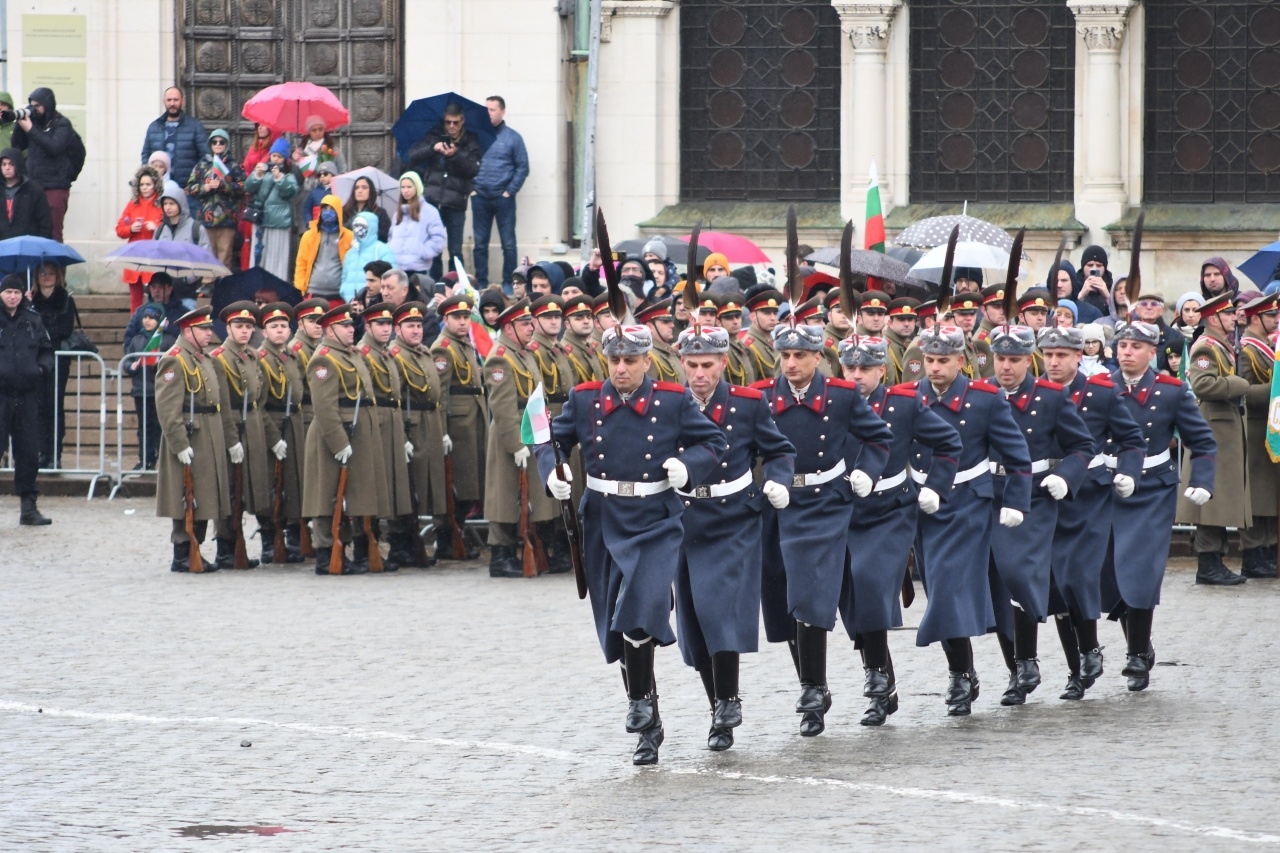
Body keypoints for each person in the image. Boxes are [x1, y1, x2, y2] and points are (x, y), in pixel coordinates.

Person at [535, 322, 726, 765]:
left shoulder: (673, 400)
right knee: (615, 623)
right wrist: (552, 471)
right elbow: (551, 441)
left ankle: (638, 701)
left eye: (630, 360)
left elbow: (713, 441)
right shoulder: (585, 399)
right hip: (603, 519)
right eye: (614, 360)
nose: (621, 368)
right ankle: (649, 723)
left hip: (655, 519)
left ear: (647, 361)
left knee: (638, 606)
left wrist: (688, 465)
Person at [753, 322, 891, 738]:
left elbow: (878, 438)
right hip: (778, 502)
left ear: (818, 357)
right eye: (785, 356)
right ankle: (814, 685)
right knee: (784, 595)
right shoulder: (761, 395)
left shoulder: (842, 395)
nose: (791, 364)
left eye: (800, 356)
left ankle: (837, 682)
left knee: (819, 589)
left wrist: (866, 471)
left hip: (827, 501)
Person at [672, 322, 794, 751]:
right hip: (686, 518)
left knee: (719, 606)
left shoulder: (747, 403)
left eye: (708, 365)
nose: (699, 374)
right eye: (692, 365)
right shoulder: (670, 404)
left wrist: (777, 479)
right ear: (681, 362)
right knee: (694, 622)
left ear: (724, 362)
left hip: (733, 518)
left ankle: (727, 698)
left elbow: (779, 450)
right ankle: (719, 707)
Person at [836, 335, 961, 725]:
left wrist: (936, 487)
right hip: (839, 511)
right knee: (850, 600)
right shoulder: (832, 403)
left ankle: (876, 680)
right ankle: (882, 678)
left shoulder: (903, 404)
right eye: (849, 368)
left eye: (865, 368)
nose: (856, 376)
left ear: (882, 369)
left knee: (869, 580)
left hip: (889, 511)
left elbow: (948, 442)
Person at [907, 325, 1031, 716]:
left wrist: (1017, 500)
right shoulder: (908, 397)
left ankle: (964, 674)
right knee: (941, 588)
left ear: (960, 361)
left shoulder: (985, 399)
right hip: (923, 506)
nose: (935, 368)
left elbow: (1017, 453)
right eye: (929, 360)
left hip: (969, 503)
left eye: (943, 360)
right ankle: (974, 669)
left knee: (948, 586)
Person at [985, 325, 1094, 707]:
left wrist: (1066, 476)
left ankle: (1069, 663)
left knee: (1025, 576)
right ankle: (1018, 670)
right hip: (991, 496)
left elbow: (1082, 446)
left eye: (1014, 359)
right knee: (1000, 585)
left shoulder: (1050, 396)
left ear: (1028, 360)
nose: (1006, 367)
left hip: (1037, 496)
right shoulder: (982, 393)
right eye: (1000, 359)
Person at [1037, 325, 1146, 700]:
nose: (1054, 362)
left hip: (1090, 496)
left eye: (1061, 355)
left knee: (1081, 575)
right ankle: (1079, 666)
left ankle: (1131, 648)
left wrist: (1129, 472)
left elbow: (1131, 440)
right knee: (1057, 585)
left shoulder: (1100, 393)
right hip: (1045, 496)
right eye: (1048, 354)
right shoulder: (1033, 394)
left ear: (1078, 355)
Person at [1106, 320, 1216, 690]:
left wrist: (1202, 481)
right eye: (1123, 346)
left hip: (1152, 488)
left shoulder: (1171, 390)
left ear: (1152, 352)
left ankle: (1136, 654)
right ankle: (1139, 641)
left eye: (1136, 347)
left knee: (1139, 569)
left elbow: (1202, 441)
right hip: (1108, 487)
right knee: (1111, 572)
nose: (1127, 352)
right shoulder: (1101, 387)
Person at [1175, 292, 1251, 585]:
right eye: (1228, 313)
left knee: (1218, 498)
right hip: (1213, 427)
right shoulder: (1206, 347)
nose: (1234, 317)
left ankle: (1215, 560)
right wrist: (1237, 384)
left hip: (1222, 428)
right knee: (1209, 498)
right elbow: (1203, 384)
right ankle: (1208, 564)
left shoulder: (1222, 345)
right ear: (1214, 318)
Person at [299, 304, 378, 575]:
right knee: (327, 496)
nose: (350, 329)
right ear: (330, 331)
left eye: (350, 325)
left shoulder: (351, 354)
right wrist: (339, 442)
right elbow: (324, 407)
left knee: (348, 494)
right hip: (332, 435)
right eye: (344, 326)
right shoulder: (323, 360)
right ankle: (326, 555)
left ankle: (343, 551)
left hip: (355, 432)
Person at [154, 305, 234, 570]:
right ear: (188, 332)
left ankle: (195, 549)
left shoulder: (204, 358)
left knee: (204, 494)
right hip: (190, 434)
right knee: (185, 494)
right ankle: (182, 553)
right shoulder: (175, 360)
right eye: (204, 329)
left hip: (209, 432)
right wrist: (179, 444)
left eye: (209, 328)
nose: (210, 333)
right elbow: (167, 408)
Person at [480, 300, 553, 577]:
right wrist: (516, 444)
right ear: (509, 328)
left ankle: (518, 550)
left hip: (531, 428)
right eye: (524, 324)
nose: (530, 327)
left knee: (525, 495)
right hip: (510, 433)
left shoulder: (523, 353)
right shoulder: (500, 358)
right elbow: (502, 407)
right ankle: (501, 555)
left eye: (530, 323)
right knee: (505, 494)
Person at [388, 301, 449, 567]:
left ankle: (413, 544)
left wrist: (442, 431)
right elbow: (395, 399)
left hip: (430, 423)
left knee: (424, 487)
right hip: (410, 424)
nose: (416, 330)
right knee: (406, 488)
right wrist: (402, 438)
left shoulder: (424, 352)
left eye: (418, 325)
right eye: (410, 326)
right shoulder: (395, 355)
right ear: (397, 329)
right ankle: (399, 545)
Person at [209, 302, 268, 570]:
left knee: (247, 487)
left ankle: (238, 545)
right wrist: (232, 440)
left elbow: (260, 394)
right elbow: (221, 402)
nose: (244, 331)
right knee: (230, 490)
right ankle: (226, 546)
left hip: (252, 424)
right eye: (239, 326)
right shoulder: (219, 358)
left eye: (248, 327)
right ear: (228, 328)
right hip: (232, 424)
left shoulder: (253, 355)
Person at [356, 302, 413, 572]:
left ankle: (394, 547)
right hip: (374, 424)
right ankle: (365, 550)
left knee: (391, 486)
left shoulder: (385, 353)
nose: (385, 328)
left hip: (391, 423)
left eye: (389, 324)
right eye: (380, 324)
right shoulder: (364, 353)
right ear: (368, 326)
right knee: (371, 488)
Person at [430, 293, 488, 559]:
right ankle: (446, 538)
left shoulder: (463, 343)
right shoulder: (443, 348)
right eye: (457, 317)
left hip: (471, 422)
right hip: (457, 426)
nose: (463, 322)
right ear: (445, 319)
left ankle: (457, 534)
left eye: (466, 317)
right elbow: (440, 395)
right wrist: (442, 431)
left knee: (469, 485)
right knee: (455, 486)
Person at [256, 302, 307, 563]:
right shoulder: (259, 359)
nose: (279, 330)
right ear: (264, 332)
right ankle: (269, 539)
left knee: (294, 482)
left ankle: (294, 539)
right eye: (273, 326)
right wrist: (273, 438)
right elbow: (258, 404)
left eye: (283, 326)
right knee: (271, 484)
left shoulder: (293, 357)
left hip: (295, 422)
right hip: (272, 423)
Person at [0, 274, 54, 524]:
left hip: (27, 395)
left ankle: (28, 507)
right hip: (1, 395)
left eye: (17, 292)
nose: (12, 297)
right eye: (8, 292)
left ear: (23, 295)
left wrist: (41, 369)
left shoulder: (33, 319)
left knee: (29, 452)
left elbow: (46, 351)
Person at [407, 103, 482, 280]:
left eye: (455, 122)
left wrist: (454, 155)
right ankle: (434, 285)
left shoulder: (470, 140)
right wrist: (433, 148)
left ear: (462, 121)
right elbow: (413, 156)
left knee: (455, 250)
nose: (451, 126)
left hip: (456, 201)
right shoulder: (434, 135)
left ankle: (456, 284)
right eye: (448, 122)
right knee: (434, 248)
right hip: (433, 199)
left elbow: (473, 169)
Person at [1238, 293, 1280, 578]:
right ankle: (1253, 553)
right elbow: (1244, 391)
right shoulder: (1247, 351)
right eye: (1270, 316)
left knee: (1270, 494)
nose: (1276, 320)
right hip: (1254, 429)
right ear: (1256, 318)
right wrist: (1275, 390)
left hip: (1270, 426)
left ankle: (1268, 549)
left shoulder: (1269, 347)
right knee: (1256, 496)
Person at [472, 96, 528, 289]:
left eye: (492, 109)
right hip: (480, 197)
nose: (487, 113)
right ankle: (481, 283)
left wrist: (509, 191)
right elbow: (466, 162)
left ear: (502, 112)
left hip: (503, 199)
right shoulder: (476, 137)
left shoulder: (513, 138)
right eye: (485, 109)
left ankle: (509, 283)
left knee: (508, 244)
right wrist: (472, 189)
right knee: (480, 244)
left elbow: (523, 167)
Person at [10, 88, 77, 241]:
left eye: (38, 106)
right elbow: (17, 146)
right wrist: (19, 123)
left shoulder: (62, 124)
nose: (35, 110)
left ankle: (54, 259)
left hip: (55, 187)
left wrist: (31, 129)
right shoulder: (34, 124)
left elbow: (54, 147)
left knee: (53, 232)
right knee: (32, 231)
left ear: (48, 105)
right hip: (33, 185)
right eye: (32, 106)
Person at [29, 262, 77, 469]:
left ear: (57, 276)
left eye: (50, 273)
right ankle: (43, 451)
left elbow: (65, 328)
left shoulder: (65, 299)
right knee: (40, 406)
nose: (46, 277)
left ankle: (55, 452)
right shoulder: (31, 301)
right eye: (42, 273)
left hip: (58, 358)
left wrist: (44, 334)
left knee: (55, 405)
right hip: (37, 359)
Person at [185, 128, 246, 271]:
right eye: (214, 142)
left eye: (221, 142)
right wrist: (204, 187)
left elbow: (243, 187)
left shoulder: (234, 165)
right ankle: (207, 281)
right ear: (210, 144)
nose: (218, 144)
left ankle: (223, 282)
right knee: (206, 255)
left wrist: (223, 186)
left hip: (227, 219)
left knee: (225, 256)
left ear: (227, 144)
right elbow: (189, 188)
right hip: (206, 219)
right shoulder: (202, 165)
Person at [123, 303, 174, 470]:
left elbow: (173, 366)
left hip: (161, 392)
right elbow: (128, 360)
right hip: (141, 391)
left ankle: (163, 460)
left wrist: (159, 365)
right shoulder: (137, 339)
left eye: (151, 318)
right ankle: (145, 459)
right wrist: (131, 366)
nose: (147, 320)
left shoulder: (168, 340)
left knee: (161, 428)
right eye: (145, 317)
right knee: (144, 428)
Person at [244, 138, 299, 282]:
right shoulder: (262, 171)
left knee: (277, 257)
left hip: (279, 222)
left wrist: (280, 178)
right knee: (260, 255)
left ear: (285, 159)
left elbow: (291, 192)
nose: (276, 159)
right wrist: (256, 175)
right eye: (274, 155)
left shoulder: (289, 176)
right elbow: (248, 188)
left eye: (280, 157)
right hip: (261, 219)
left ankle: (276, 283)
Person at [152, 184, 212, 309]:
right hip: (164, 292)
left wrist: (189, 278)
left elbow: (205, 257)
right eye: (165, 204)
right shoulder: (160, 229)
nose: (167, 207)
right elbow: (154, 255)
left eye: (172, 203)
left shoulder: (196, 228)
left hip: (187, 291)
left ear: (181, 204)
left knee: (186, 320)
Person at [115, 164, 164, 311]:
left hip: (153, 256)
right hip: (135, 256)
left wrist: (156, 228)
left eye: (148, 184)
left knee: (156, 297)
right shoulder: (132, 204)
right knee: (135, 299)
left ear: (155, 185)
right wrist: (130, 229)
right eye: (142, 184)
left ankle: (156, 322)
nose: (144, 188)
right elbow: (119, 230)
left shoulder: (161, 204)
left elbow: (168, 229)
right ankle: (135, 324)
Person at [140, 87, 207, 186]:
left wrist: (196, 181)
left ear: (182, 101)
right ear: (164, 101)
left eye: (176, 100)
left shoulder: (195, 126)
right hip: (159, 187)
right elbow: (146, 155)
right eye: (169, 100)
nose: (172, 103)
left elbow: (205, 156)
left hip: (187, 187)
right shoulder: (154, 127)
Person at [387, 172, 446, 278]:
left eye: (409, 187)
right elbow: (391, 237)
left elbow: (439, 239)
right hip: (397, 268)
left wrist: (423, 252)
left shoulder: (430, 211)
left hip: (417, 268)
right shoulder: (397, 213)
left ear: (417, 187)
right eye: (402, 187)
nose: (405, 190)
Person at [295, 195, 353, 302]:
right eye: (325, 208)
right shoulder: (309, 236)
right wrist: (300, 288)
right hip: (313, 292)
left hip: (338, 294)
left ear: (339, 212)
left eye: (332, 209)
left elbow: (352, 266)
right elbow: (301, 263)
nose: (328, 212)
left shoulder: (349, 236)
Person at [340, 212, 395, 302]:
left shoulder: (382, 249)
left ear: (371, 227)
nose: (358, 229)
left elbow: (391, 277)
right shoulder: (350, 253)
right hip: (350, 303)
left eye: (362, 225)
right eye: (356, 225)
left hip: (374, 303)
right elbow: (344, 277)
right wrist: (345, 292)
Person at [0, 147, 52, 242]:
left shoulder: (34, 190)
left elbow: (45, 222)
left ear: (18, 165)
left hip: (28, 243)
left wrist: (40, 244)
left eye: (11, 164)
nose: (7, 168)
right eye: (4, 164)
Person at [1130, 292, 1183, 375]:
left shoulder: (1175, 337)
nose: (1149, 307)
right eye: (1144, 304)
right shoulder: (1127, 334)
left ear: (1161, 310)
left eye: (1154, 304)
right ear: (1137, 310)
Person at [292, 116, 345, 195]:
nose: (318, 133)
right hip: (307, 193)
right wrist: (296, 161)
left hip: (328, 192)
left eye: (320, 129)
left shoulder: (333, 149)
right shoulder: (302, 151)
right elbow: (297, 178)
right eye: (314, 130)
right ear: (309, 132)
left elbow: (342, 171)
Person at [637, 299, 685, 383]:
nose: (672, 325)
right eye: (665, 322)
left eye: (671, 321)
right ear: (649, 327)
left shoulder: (671, 351)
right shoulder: (649, 355)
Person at [742, 289, 783, 379]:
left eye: (775, 313)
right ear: (753, 316)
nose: (773, 318)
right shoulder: (749, 346)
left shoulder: (774, 341)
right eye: (767, 313)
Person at [342, 175, 392, 243]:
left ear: (371, 191)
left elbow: (386, 237)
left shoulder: (379, 212)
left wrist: (368, 228)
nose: (360, 191)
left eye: (364, 187)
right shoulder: (345, 211)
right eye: (356, 188)